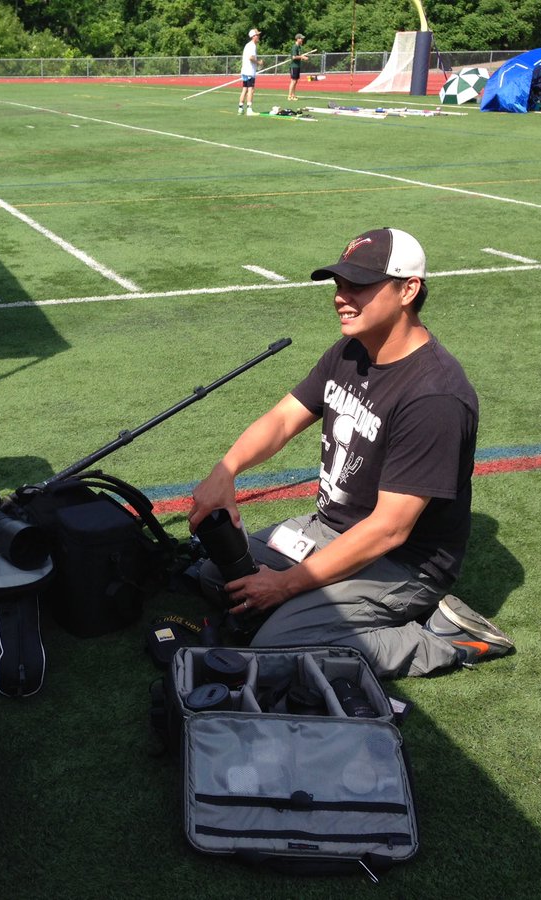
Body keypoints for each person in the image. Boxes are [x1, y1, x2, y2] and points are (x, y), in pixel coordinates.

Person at [188, 228, 514, 679]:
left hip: (401, 564)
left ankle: (446, 638)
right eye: (340, 285)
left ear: (408, 289)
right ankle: (312, 606)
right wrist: (226, 470)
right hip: (331, 529)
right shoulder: (351, 350)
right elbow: (284, 419)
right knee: (218, 579)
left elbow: (388, 531)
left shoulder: (435, 397)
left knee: (275, 644)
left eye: (359, 285)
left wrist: (283, 587)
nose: (342, 297)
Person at [238, 27, 261, 116]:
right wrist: (258, 62)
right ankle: (249, 109)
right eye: (257, 35)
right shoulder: (252, 45)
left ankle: (240, 109)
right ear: (253, 36)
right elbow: (251, 58)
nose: (259, 36)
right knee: (251, 89)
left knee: (244, 89)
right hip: (249, 71)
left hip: (245, 71)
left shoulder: (248, 45)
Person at [287, 33, 309, 101]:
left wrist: (302, 57)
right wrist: (302, 57)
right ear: (298, 39)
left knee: (295, 81)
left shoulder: (299, 47)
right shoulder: (295, 47)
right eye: (301, 38)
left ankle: (293, 95)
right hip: (294, 66)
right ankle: (289, 96)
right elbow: (294, 57)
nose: (302, 40)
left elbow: (298, 56)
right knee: (293, 81)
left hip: (297, 66)